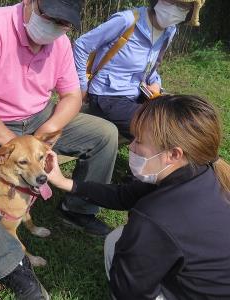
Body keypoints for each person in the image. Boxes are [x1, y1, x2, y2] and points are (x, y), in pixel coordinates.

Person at [0, 0, 118, 299]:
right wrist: (16, 146)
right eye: (50, 17)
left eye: (64, 23)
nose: (56, 27)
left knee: (105, 134)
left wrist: (45, 134)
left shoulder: (60, 42)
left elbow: (72, 97)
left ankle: (78, 210)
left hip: (37, 118)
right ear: (30, 3)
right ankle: (9, 262)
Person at [46, 94, 230, 300]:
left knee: (115, 243)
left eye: (139, 141)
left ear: (174, 154)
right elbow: (125, 195)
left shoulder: (154, 217)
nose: (131, 147)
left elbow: (130, 291)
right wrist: (66, 183)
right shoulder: (207, 170)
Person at [74, 0, 205, 139]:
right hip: (106, 95)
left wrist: (156, 83)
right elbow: (81, 45)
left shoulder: (170, 31)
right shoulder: (127, 20)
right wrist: (82, 86)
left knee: (182, 117)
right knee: (156, 130)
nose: (176, 9)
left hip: (138, 94)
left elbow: (151, 67)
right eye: (173, 2)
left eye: (184, 7)